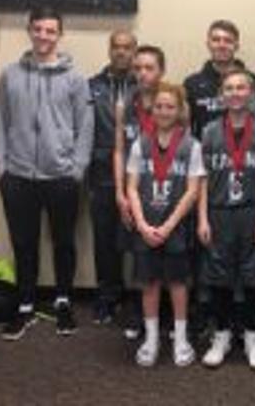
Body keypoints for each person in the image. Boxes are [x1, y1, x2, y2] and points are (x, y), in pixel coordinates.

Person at [0, 7, 94, 340]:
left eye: (50, 30)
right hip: (18, 175)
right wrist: (1, 166)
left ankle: (63, 301)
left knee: (64, 242)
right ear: (29, 30)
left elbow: (85, 127)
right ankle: (25, 305)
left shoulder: (75, 79)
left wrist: (76, 170)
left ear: (60, 34)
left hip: (61, 176)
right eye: (38, 29)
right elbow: (1, 122)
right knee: (23, 243)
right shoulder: (10, 75)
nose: (43, 36)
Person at [183, 19, 255, 335]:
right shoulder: (193, 84)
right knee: (210, 255)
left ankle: (244, 323)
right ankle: (209, 317)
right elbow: (187, 130)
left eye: (227, 39)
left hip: (247, 178)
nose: (221, 44)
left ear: (236, 44)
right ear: (208, 43)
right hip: (212, 179)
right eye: (215, 39)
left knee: (248, 260)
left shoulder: (253, 82)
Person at [198, 68, 255, 370]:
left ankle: (253, 338)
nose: (235, 93)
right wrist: (202, 218)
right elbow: (202, 179)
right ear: (221, 95)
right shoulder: (210, 132)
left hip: (252, 211)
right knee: (219, 277)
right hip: (218, 212)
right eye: (229, 88)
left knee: (253, 276)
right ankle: (222, 336)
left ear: (252, 94)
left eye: (241, 87)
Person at [127, 82, 205, 367]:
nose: (163, 111)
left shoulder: (191, 145)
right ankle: (151, 339)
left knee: (178, 283)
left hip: (176, 227)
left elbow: (193, 191)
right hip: (146, 226)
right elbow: (132, 187)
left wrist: (169, 225)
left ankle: (180, 338)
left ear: (180, 110)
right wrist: (142, 224)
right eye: (159, 106)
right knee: (148, 283)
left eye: (170, 106)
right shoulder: (140, 144)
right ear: (152, 110)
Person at [113, 44, 166, 339]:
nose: (143, 73)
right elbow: (119, 150)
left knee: (167, 251)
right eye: (138, 68)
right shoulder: (126, 104)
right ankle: (138, 311)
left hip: (166, 189)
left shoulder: (171, 103)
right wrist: (120, 193)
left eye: (149, 68)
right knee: (138, 253)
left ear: (161, 71)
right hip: (134, 190)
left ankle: (165, 313)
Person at [88, 30, 137, 324]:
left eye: (127, 47)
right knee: (105, 239)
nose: (121, 52)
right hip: (101, 172)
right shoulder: (91, 86)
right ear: (109, 50)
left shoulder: (145, 86)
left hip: (139, 173)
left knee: (138, 237)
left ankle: (141, 300)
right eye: (116, 47)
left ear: (134, 51)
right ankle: (108, 296)